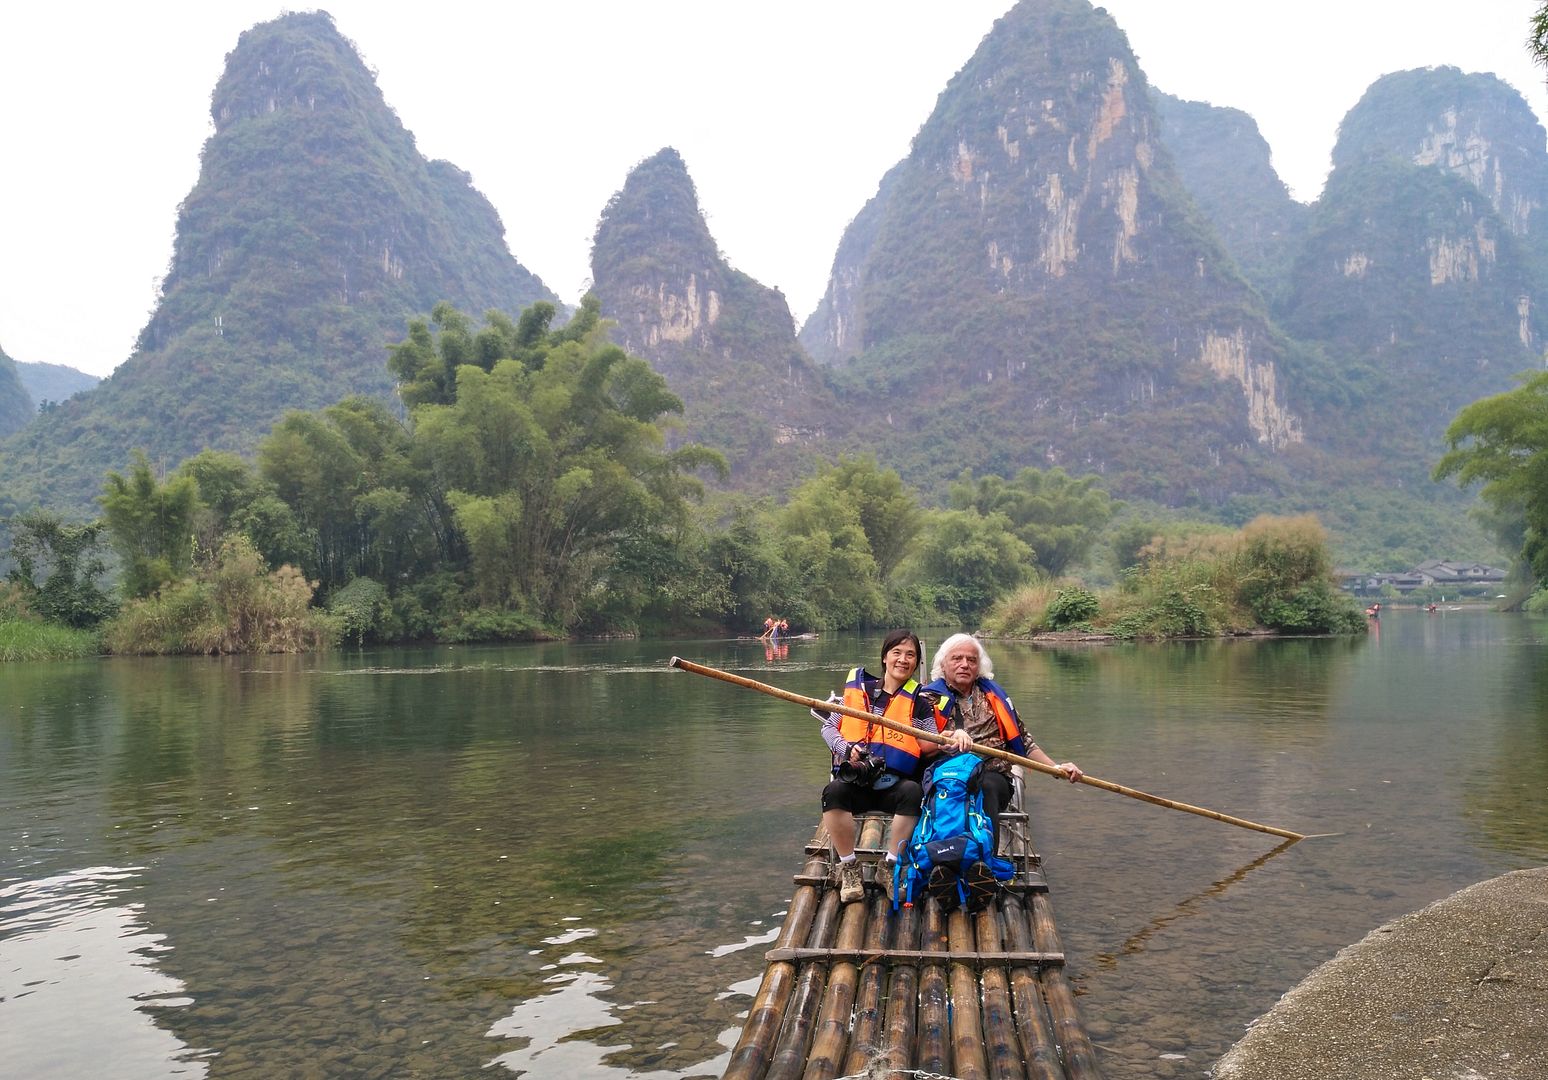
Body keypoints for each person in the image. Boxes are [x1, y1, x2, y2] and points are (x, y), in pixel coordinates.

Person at [924, 633, 1082, 851]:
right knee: (949, 791)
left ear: (979, 666)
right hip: (948, 775)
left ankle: (986, 862)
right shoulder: (928, 697)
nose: (964, 665)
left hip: (992, 774)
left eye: (971, 660)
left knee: (986, 786)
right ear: (943, 663)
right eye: (957, 658)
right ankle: (942, 857)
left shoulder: (994, 696)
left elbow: (1024, 742)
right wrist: (950, 737)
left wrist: (1056, 768)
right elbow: (920, 742)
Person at [816, 629, 939, 903]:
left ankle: (890, 866)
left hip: (894, 785)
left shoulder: (921, 703)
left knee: (913, 793)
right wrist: (847, 749)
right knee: (833, 792)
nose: (903, 660)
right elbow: (829, 729)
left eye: (910, 655)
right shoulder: (860, 693)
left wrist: (951, 739)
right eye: (897, 653)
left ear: (917, 662)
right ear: (885, 657)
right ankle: (849, 867)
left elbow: (931, 742)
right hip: (856, 781)